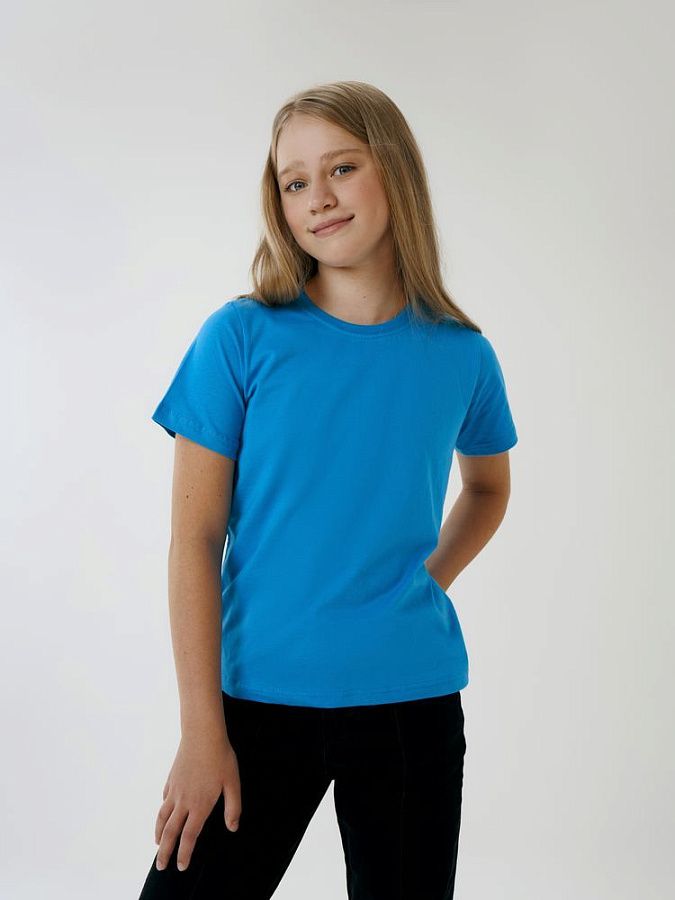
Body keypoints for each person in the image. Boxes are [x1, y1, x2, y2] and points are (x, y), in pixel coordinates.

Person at [137, 80, 518, 900]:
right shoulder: (240, 337)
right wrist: (201, 732)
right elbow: (194, 540)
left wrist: (426, 581)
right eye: (294, 181)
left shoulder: (461, 354)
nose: (318, 197)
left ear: (395, 172)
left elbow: (487, 487)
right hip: (255, 701)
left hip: (411, 704)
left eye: (341, 168)